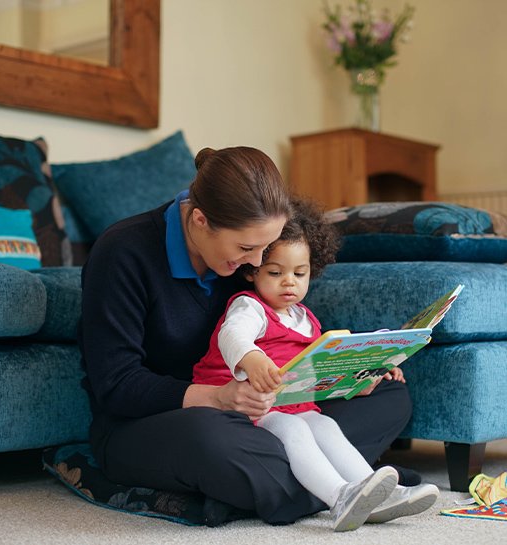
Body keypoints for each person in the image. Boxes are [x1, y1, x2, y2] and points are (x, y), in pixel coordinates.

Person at [79, 145, 416, 528]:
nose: (256, 264)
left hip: (262, 414)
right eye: (246, 249)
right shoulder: (123, 252)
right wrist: (216, 398)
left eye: (263, 251)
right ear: (201, 220)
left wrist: (346, 378)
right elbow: (116, 385)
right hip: (154, 422)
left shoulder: (244, 259)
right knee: (212, 439)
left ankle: (307, 486)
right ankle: (340, 484)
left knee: (391, 395)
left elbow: (285, 345)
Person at [193, 198, 439, 531]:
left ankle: (378, 492)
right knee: (296, 431)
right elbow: (232, 336)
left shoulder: (306, 320)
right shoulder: (248, 307)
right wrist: (251, 358)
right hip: (246, 405)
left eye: (300, 272)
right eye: (275, 272)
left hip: (291, 403)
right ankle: (339, 498)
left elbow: (318, 373)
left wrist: (360, 379)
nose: (289, 282)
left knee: (325, 427)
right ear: (253, 271)